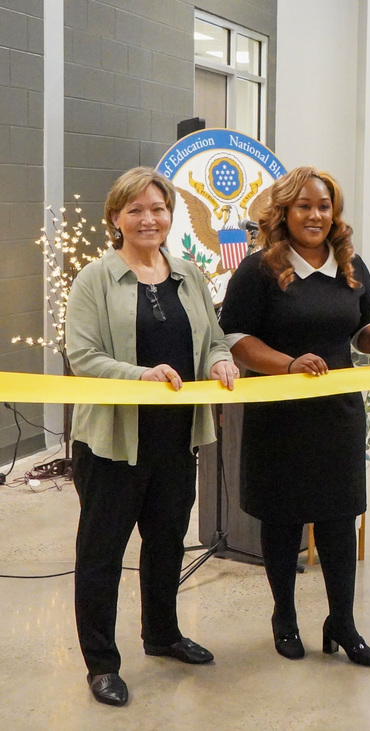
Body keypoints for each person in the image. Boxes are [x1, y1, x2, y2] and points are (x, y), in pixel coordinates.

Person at [65, 167, 239, 706]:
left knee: (165, 546)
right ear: (115, 217)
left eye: (158, 209)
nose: (148, 219)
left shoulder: (187, 273)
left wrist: (221, 360)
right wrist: (139, 376)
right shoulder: (94, 278)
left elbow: (211, 340)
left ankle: (162, 634)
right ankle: (101, 663)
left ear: (170, 215)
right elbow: (84, 358)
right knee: (103, 555)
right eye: (135, 209)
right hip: (112, 445)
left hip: (174, 440)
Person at [219, 166, 370, 665]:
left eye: (324, 206)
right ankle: (284, 616)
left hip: (337, 414)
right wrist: (288, 364)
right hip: (280, 416)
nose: (316, 215)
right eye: (304, 206)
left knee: (340, 517)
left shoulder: (350, 265)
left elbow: (365, 324)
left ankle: (341, 622)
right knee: (283, 518)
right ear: (284, 213)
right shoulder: (257, 271)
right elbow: (234, 339)